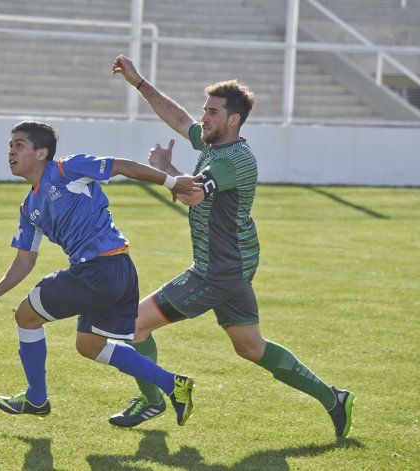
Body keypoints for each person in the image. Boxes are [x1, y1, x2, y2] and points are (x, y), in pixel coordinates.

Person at [108, 54, 355, 438]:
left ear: (233, 120)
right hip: (232, 267)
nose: (202, 118)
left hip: (216, 270)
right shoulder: (212, 146)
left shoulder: (233, 161)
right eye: (204, 110)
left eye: (211, 112)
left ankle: (155, 399)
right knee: (251, 347)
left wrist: (164, 170)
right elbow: (177, 118)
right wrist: (138, 82)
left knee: (132, 324)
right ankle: (334, 398)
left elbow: (190, 195)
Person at [0, 120, 202, 425]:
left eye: (19, 145)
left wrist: (172, 183)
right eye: (10, 146)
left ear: (41, 152)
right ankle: (172, 384)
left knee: (27, 316)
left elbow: (120, 165)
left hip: (101, 270)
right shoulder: (29, 206)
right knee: (89, 345)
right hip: (113, 272)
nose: (11, 152)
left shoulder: (67, 169)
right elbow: (24, 260)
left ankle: (36, 398)